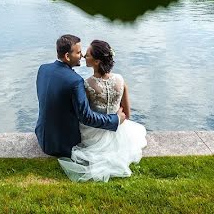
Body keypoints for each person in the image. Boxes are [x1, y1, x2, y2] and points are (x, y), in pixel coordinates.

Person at [58, 39, 147, 182]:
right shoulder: (120, 80)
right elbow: (127, 115)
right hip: (119, 130)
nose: (83, 57)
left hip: (94, 133)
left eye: (87, 55)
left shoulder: (87, 84)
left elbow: (83, 115)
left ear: (97, 61)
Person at [35, 34, 124, 158]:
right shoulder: (75, 81)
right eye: (78, 52)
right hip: (62, 145)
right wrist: (116, 119)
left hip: (42, 136)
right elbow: (86, 117)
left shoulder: (43, 69)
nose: (82, 56)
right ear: (67, 56)